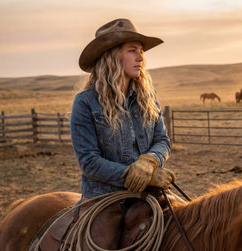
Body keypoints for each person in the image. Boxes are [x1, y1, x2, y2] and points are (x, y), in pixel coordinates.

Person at [69, 18, 175, 248]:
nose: (141, 57)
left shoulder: (147, 96)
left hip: (149, 194)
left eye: (141, 52)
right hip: (103, 198)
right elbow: (88, 161)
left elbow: (162, 140)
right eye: (132, 51)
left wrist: (149, 162)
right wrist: (132, 175)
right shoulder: (86, 102)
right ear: (112, 56)